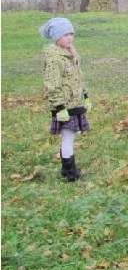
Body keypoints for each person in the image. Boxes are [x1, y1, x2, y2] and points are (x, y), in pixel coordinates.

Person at [40, 17, 91, 182]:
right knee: (68, 137)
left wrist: (85, 96)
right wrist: (59, 106)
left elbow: (78, 79)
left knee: (71, 136)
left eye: (71, 34)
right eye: (65, 34)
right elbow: (52, 84)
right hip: (65, 106)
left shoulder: (71, 55)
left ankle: (67, 169)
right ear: (56, 37)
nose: (69, 37)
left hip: (75, 103)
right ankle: (70, 173)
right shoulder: (55, 58)